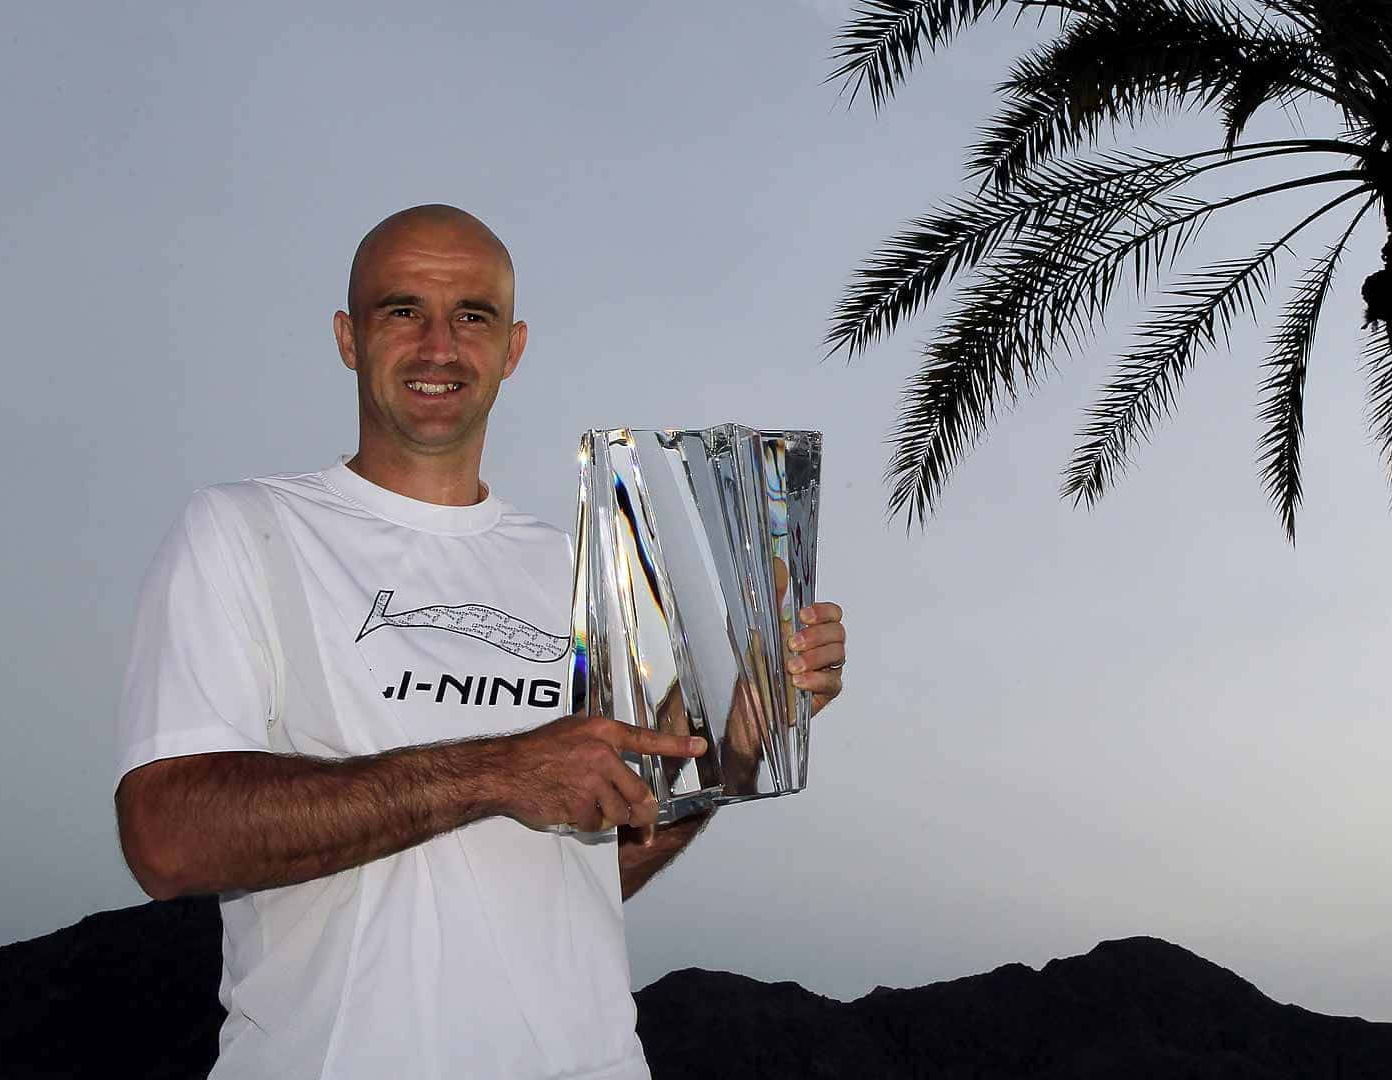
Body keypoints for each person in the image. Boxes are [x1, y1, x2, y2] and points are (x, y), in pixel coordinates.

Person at [111, 204, 847, 1079]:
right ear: (349, 337)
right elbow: (165, 839)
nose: (438, 346)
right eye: (401, 311)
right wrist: (501, 771)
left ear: (513, 348)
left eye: (472, 316)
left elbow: (587, 880)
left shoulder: (579, 573)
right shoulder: (243, 531)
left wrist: (733, 743)